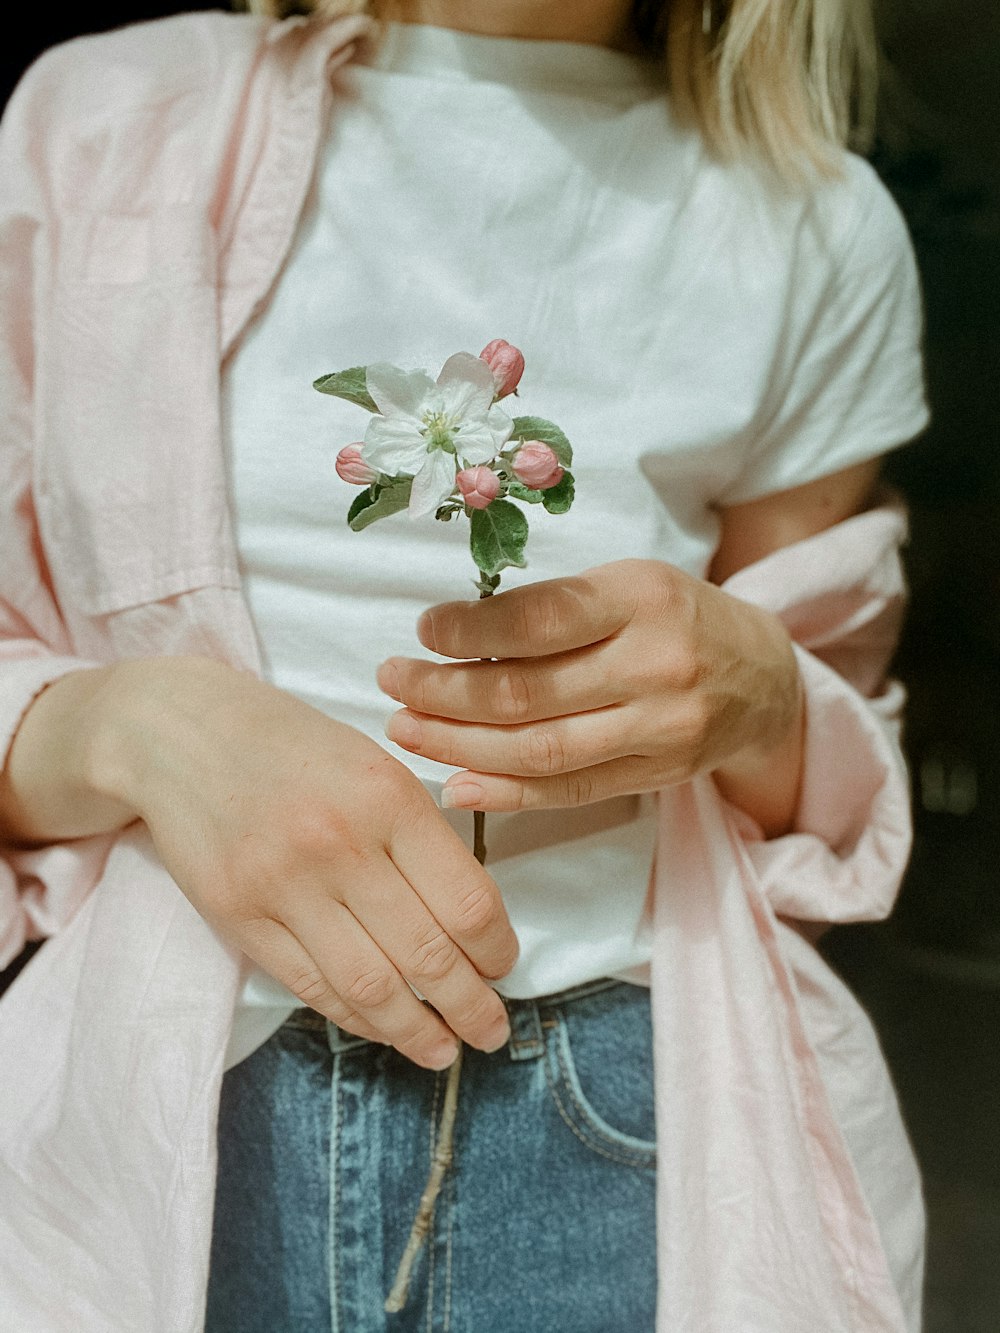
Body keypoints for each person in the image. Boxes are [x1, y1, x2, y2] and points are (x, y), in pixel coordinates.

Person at [0, 1, 928, 1329]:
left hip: (615, 1109)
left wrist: (764, 690)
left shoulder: (816, 222)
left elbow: (824, 806)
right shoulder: (96, 124)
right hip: (156, 1103)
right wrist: (134, 725)